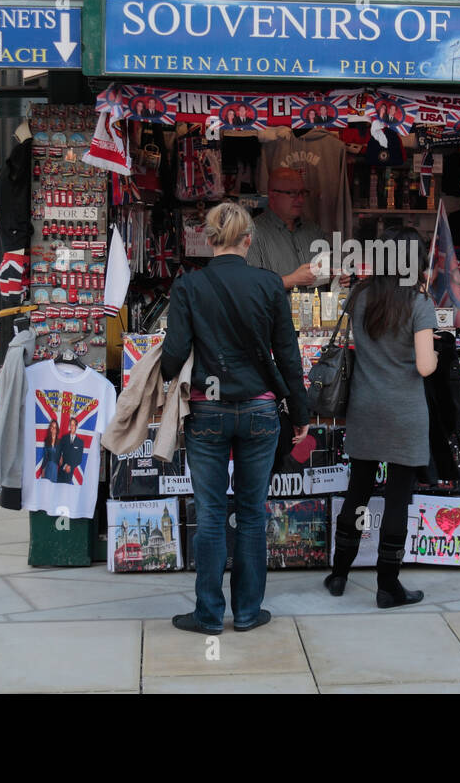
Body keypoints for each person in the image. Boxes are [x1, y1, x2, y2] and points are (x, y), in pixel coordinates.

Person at [161, 202, 309, 634]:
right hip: (262, 410)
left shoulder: (190, 286)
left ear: (208, 240)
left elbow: (172, 358)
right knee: (251, 512)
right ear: (249, 240)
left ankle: (208, 614)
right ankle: (247, 612)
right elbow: (289, 357)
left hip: (206, 408)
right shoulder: (268, 285)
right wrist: (299, 415)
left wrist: (169, 372)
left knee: (208, 514)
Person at [324, 227, 439, 608]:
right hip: (405, 413)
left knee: (357, 492)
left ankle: (340, 574)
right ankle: (388, 586)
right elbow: (425, 367)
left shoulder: (360, 296)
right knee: (396, 501)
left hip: (365, 408)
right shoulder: (420, 304)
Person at [247, 166, 330, 291]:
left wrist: (336, 276)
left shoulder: (313, 230)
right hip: (279, 310)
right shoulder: (252, 233)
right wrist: (291, 280)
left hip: (318, 309)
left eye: (302, 193)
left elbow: (326, 274)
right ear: (273, 195)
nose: (301, 199)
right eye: (292, 193)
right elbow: (249, 287)